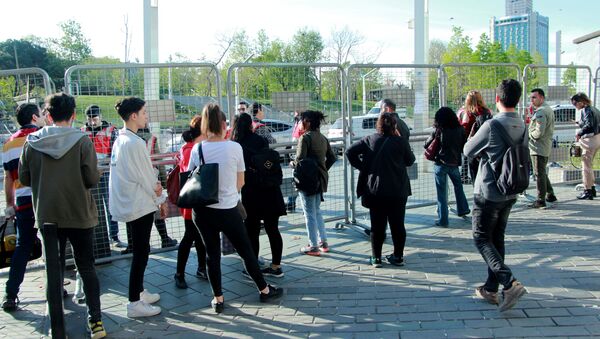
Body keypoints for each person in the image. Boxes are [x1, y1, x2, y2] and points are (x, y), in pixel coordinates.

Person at [18, 93, 106, 338]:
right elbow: (90, 178)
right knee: (86, 267)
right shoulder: (82, 141)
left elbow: (24, 178)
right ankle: (96, 322)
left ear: (47, 115)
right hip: (79, 213)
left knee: (53, 270)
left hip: (47, 215)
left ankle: (57, 326)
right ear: (74, 115)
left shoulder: (32, 141)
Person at [189, 103, 282, 313]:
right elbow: (240, 182)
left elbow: (191, 177)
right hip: (227, 208)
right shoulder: (234, 147)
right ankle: (264, 290)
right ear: (224, 124)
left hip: (203, 211)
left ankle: (218, 299)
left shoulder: (198, 148)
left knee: (212, 255)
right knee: (246, 252)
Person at [463, 79, 528, 312]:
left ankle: (509, 283)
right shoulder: (522, 123)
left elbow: (468, 150)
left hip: (489, 191)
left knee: (481, 238)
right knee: (497, 238)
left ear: (497, 99)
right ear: (518, 99)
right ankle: (491, 289)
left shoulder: (492, 125)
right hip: (510, 190)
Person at [109, 97, 167, 318]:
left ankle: (139, 292)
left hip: (132, 202)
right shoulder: (134, 143)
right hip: (138, 204)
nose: (146, 116)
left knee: (140, 250)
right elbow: (146, 176)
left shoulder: (122, 139)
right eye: (144, 112)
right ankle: (134, 302)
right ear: (133, 116)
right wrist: (159, 194)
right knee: (141, 252)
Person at [346, 113, 415, 267]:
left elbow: (349, 152)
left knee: (377, 225)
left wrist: (364, 167)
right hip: (398, 190)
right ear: (394, 126)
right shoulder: (401, 141)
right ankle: (398, 257)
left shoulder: (370, 139)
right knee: (398, 224)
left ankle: (376, 258)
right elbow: (410, 160)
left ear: (378, 125)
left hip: (376, 190)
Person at [1, 103, 47, 311]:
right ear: (35, 117)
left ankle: (11, 294)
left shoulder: (9, 144)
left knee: (23, 245)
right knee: (51, 244)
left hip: (22, 202)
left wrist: (9, 204)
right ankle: (54, 286)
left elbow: (8, 178)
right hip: (45, 198)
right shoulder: (43, 136)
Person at [231, 113, 286, 278]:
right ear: (251, 125)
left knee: (252, 232)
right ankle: (276, 267)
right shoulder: (260, 140)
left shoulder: (235, 145)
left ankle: (252, 267)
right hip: (270, 190)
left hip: (251, 192)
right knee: (273, 229)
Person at [119, 128, 178, 254]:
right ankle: (164, 239)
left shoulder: (123, 138)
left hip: (132, 181)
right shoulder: (152, 138)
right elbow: (159, 161)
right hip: (151, 178)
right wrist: (163, 180)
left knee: (131, 212)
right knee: (156, 210)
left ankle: (131, 244)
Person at [292, 110, 337, 256]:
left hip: (308, 181)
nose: (300, 124)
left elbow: (300, 160)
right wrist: (322, 169)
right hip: (320, 179)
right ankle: (323, 242)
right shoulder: (323, 138)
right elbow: (332, 158)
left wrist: (293, 164)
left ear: (308, 122)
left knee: (309, 213)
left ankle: (313, 246)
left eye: (301, 120)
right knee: (316, 211)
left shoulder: (305, 138)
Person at [81, 105, 125, 247]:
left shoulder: (111, 131)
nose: (92, 122)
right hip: (90, 173)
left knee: (109, 204)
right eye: (89, 119)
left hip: (106, 172)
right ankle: (101, 238)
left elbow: (114, 153)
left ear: (100, 117)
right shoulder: (82, 131)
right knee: (95, 205)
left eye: (95, 119)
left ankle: (114, 236)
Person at [174, 115, 208, 289]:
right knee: (189, 237)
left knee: (200, 236)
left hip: (199, 199)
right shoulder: (190, 149)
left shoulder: (195, 147)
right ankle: (179, 273)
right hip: (192, 200)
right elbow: (191, 174)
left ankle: (202, 268)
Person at [424, 107, 470, 227]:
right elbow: (463, 146)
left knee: (442, 193)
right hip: (454, 163)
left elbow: (426, 144)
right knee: (458, 187)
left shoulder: (439, 130)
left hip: (440, 163)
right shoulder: (460, 129)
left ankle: (443, 220)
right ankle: (463, 209)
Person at [528, 88, 556, 207]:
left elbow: (539, 133)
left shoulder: (541, 111)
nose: (532, 100)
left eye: (534, 97)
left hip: (538, 147)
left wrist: (528, 135)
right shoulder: (547, 109)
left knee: (539, 174)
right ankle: (550, 194)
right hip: (543, 146)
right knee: (542, 172)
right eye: (531, 97)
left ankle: (540, 200)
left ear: (541, 98)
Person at [459, 91, 492, 183]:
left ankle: (476, 191)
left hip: (473, 146)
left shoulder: (468, 113)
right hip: (486, 146)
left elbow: (464, 129)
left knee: (475, 174)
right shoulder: (487, 111)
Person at [571, 92, 600, 200]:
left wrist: (579, 133)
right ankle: (591, 189)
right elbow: (593, 123)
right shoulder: (594, 109)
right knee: (589, 165)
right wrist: (580, 123)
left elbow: (589, 125)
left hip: (589, 141)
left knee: (586, 167)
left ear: (581, 102)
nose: (575, 106)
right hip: (597, 138)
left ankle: (587, 190)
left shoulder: (586, 110)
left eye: (575, 104)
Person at [286, 110, 304, 212]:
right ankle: (291, 202)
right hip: (296, 157)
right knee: (296, 181)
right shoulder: (298, 123)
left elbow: (296, 142)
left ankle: (291, 202)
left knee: (297, 182)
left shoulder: (300, 124)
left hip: (299, 159)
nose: (294, 114)